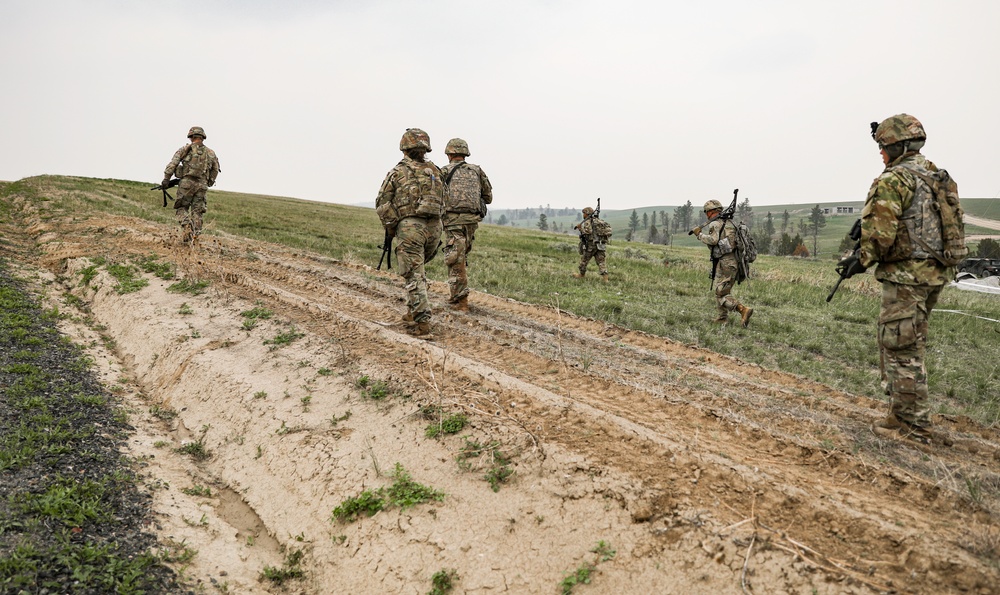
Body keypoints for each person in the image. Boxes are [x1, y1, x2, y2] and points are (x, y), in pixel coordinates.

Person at [837, 114, 963, 445]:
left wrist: (858, 261)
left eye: (883, 147)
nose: (880, 154)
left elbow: (879, 236)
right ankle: (899, 413)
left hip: (906, 276)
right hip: (933, 274)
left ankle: (915, 429)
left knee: (901, 350)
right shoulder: (936, 176)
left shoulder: (894, 180)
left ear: (898, 147)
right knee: (903, 343)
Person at [375, 128, 446, 337]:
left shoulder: (398, 172)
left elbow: (382, 203)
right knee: (418, 271)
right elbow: (446, 200)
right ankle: (412, 311)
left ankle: (423, 325)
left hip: (411, 228)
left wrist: (391, 226)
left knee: (414, 275)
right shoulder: (436, 171)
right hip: (435, 228)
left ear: (404, 147)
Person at [440, 138, 493, 311]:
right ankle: (456, 295)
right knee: (460, 257)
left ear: (450, 154)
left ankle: (461, 301)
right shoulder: (477, 171)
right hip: (471, 221)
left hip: (453, 221)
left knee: (455, 259)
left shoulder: (443, 171)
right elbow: (488, 197)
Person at [691, 200, 753, 326]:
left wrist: (699, 235)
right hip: (734, 261)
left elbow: (713, 240)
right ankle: (722, 318)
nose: (707, 215)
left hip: (725, 262)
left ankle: (742, 309)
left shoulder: (715, 224)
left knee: (721, 293)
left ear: (711, 211)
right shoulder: (730, 223)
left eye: (707, 212)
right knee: (722, 290)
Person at [162, 126, 220, 243]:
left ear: (191, 136)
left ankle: (186, 226)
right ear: (203, 137)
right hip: (202, 185)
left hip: (186, 183)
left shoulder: (185, 149)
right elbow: (215, 169)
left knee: (181, 207)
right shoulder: (211, 153)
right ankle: (194, 237)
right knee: (197, 212)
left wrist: (166, 179)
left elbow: (173, 164)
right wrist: (209, 182)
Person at [573, 206, 612, 281]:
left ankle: (581, 274)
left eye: (584, 213)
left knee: (584, 260)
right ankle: (605, 279)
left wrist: (580, 228)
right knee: (601, 262)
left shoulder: (588, 221)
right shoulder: (598, 221)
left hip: (591, 245)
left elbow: (588, 232)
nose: (583, 215)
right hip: (600, 245)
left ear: (587, 214)